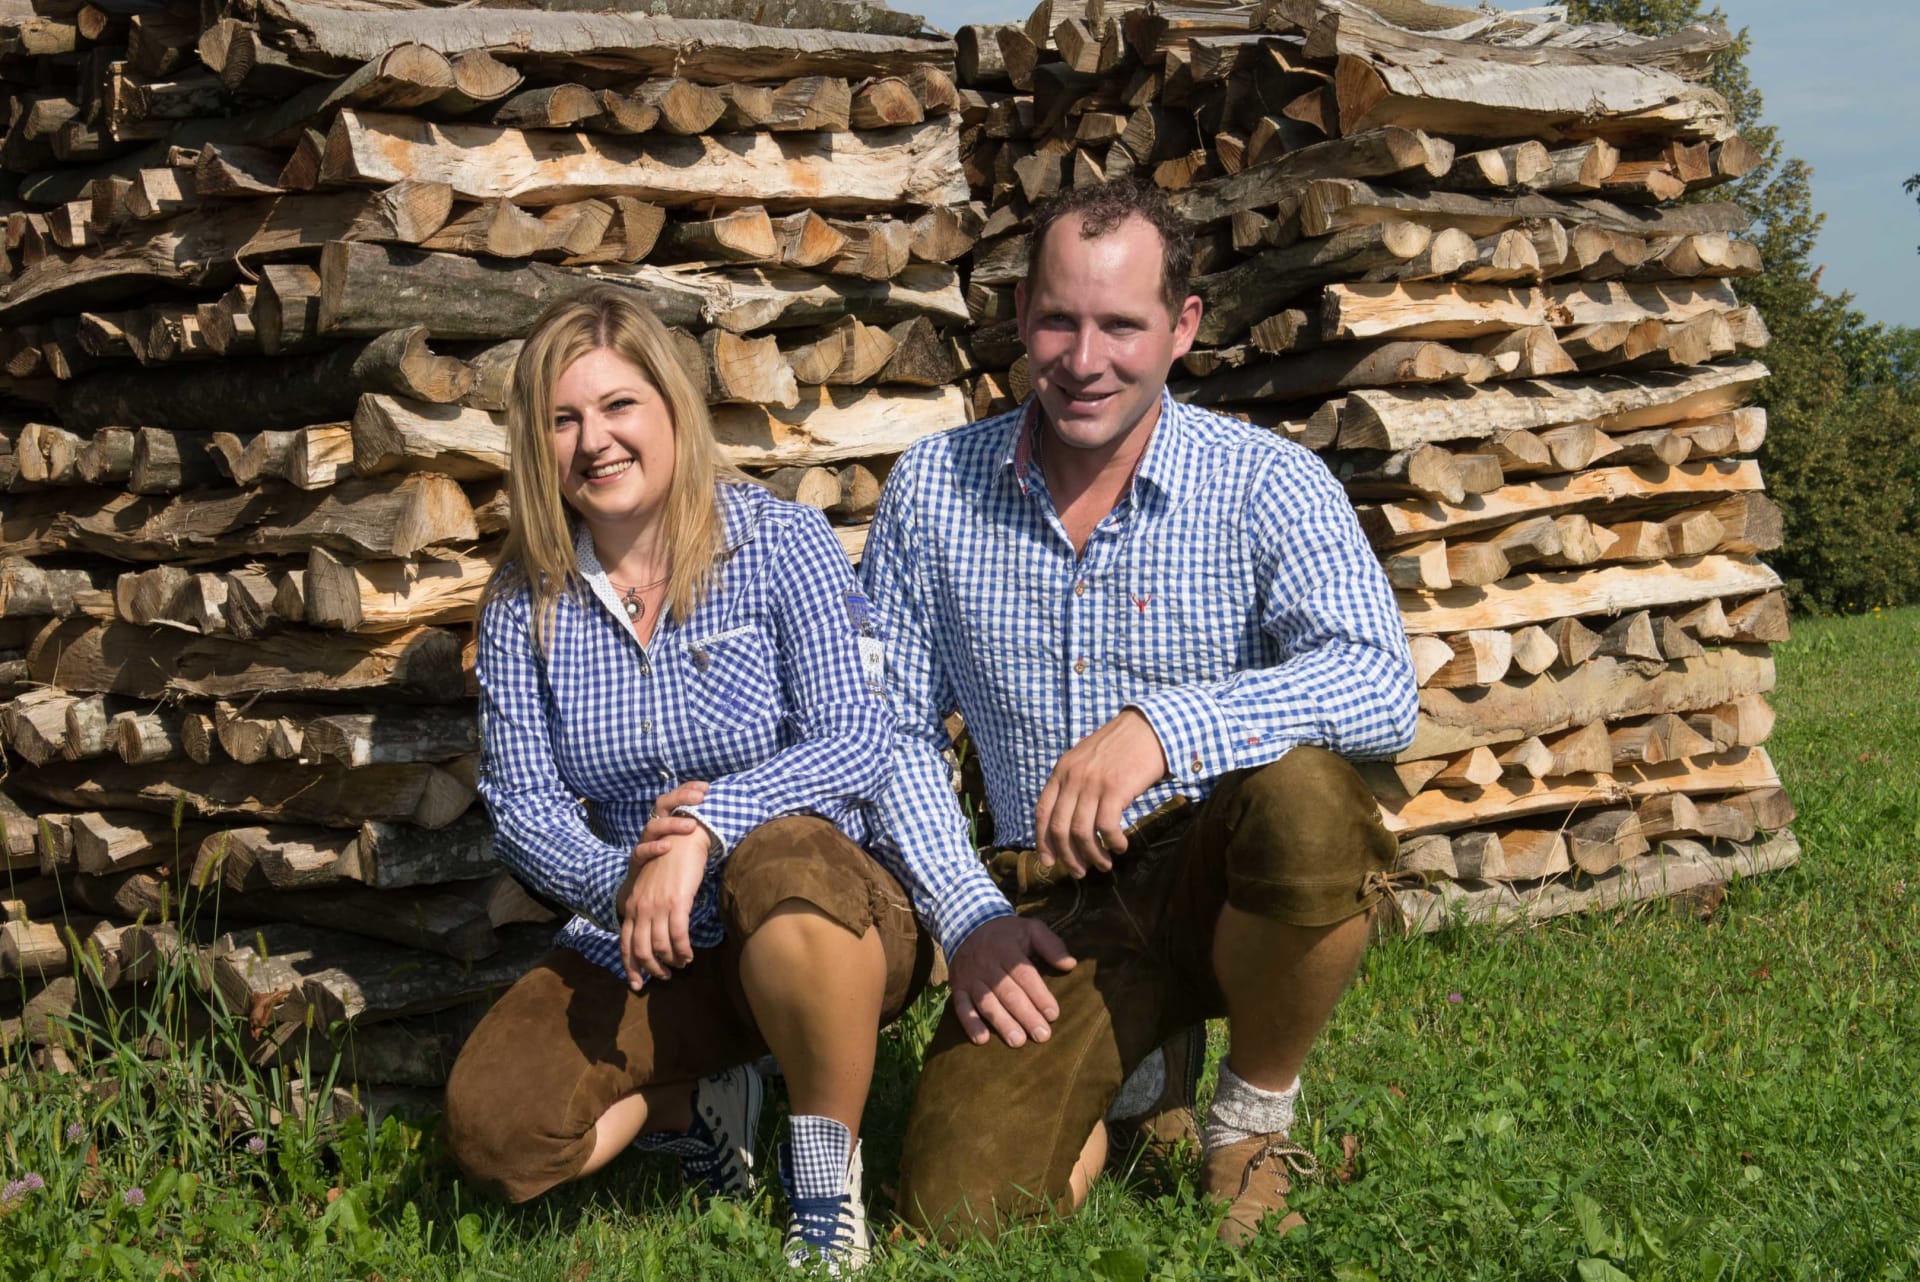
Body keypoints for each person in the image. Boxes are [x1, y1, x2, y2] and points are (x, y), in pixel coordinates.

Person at [859, 179, 1419, 1245]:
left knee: (1308, 799)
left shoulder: (1267, 481)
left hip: (1220, 874)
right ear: (1020, 315)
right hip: (1055, 910)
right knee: (960, 1215)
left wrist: (1164, 728)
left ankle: (1252, 1120)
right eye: (1059, 321)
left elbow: (1380, 686)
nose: (1085, 359)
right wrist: (968, 916)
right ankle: (1138, 1078)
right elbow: (888, 732)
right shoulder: (934, 490)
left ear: (1183, 326)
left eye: (1121, 324)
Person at [443, 287, 934, 1271]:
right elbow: (526, 809)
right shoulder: (522, 604)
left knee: (784, 860)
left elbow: (858, 739)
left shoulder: (781, 544)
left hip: (821, 911)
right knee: (498, 1132)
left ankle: (823, 1180)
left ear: (671, 406)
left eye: (618, 405)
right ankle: (696, 1098)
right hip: (645, 933)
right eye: (563, 420)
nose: (595, 441)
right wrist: (627, 881)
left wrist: (710, 829)